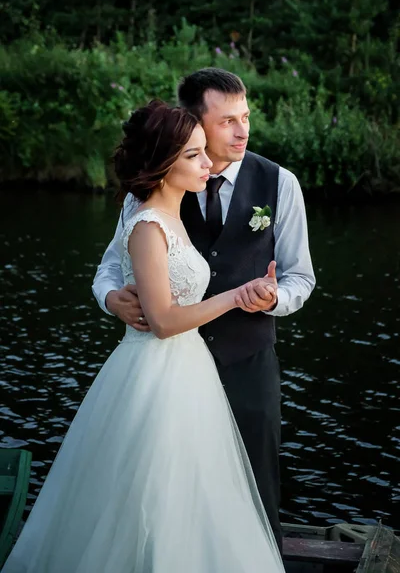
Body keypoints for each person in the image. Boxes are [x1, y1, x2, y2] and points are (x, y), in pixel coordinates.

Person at [2, 101, 284, 573]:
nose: (209, 164)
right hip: (155, 373)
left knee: (192, 492)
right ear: (165, 161)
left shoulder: (171, 216)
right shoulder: (148, 224)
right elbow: (164, 320)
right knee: (148, 492)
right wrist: (236, 295)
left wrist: (263, 291)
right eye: (195, 156)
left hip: (187, 371)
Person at [92, 68, 316, 550]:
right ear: (194, 123)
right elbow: (109, 268)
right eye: (227, 121)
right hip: (164, 374)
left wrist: (276, 298)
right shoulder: (148, 194)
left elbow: (301, 277)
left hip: (247, 363)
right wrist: (112, 299)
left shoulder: (280, 184)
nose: (243, 132)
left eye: (246, 117)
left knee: (256, 491)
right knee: (161, 491)